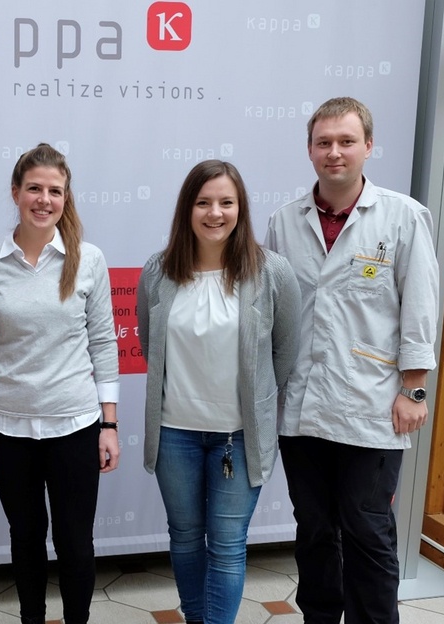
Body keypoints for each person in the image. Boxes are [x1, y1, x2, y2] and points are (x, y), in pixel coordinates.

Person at [265, 97, 440, 623]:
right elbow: (275, 310)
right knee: (314, 528)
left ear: (368, 145)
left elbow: (421, 308)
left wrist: (414, 390)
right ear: (310, 150)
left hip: (374, 405)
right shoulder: (284, 221)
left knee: (366, 528)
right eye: (324, 143)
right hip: (303, 408)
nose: (334, 153)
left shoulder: (403, 217)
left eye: (346, 142)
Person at [136, 160, 301, 624]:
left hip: (238, 439)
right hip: (176, 435)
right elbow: (152, 346)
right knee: (185, 538)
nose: (215, 213)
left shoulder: (272, 272)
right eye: (203, 202)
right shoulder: (158, 270)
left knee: (227, 547)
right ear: (187, 209)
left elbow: (285, 352)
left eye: (226, 202)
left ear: (240, 208)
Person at [0, 143, 120, 624]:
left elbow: (103, 345)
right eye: (34, 188)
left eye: (55, 191)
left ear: (66, 197)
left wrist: (109, 424)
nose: (44, 199)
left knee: (76, 542)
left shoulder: (88, 259)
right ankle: (31, 618)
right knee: (26, 538)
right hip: (8, 429)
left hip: (75, 426)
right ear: (15, 192)